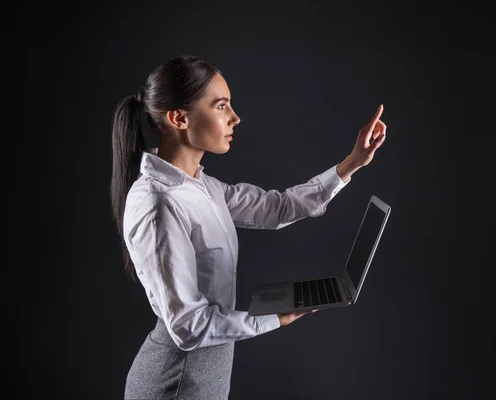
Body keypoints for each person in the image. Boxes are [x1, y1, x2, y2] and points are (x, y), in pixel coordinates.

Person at [110, 54, 387, 399]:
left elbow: (278, 207)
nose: (235, 118)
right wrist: (275, 318)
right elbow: (188, 327)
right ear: (179, 118)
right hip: (175, 382)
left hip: (206, 371)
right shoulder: (158, 203)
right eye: (221, 106)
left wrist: (351, 163)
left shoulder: (202, 186)